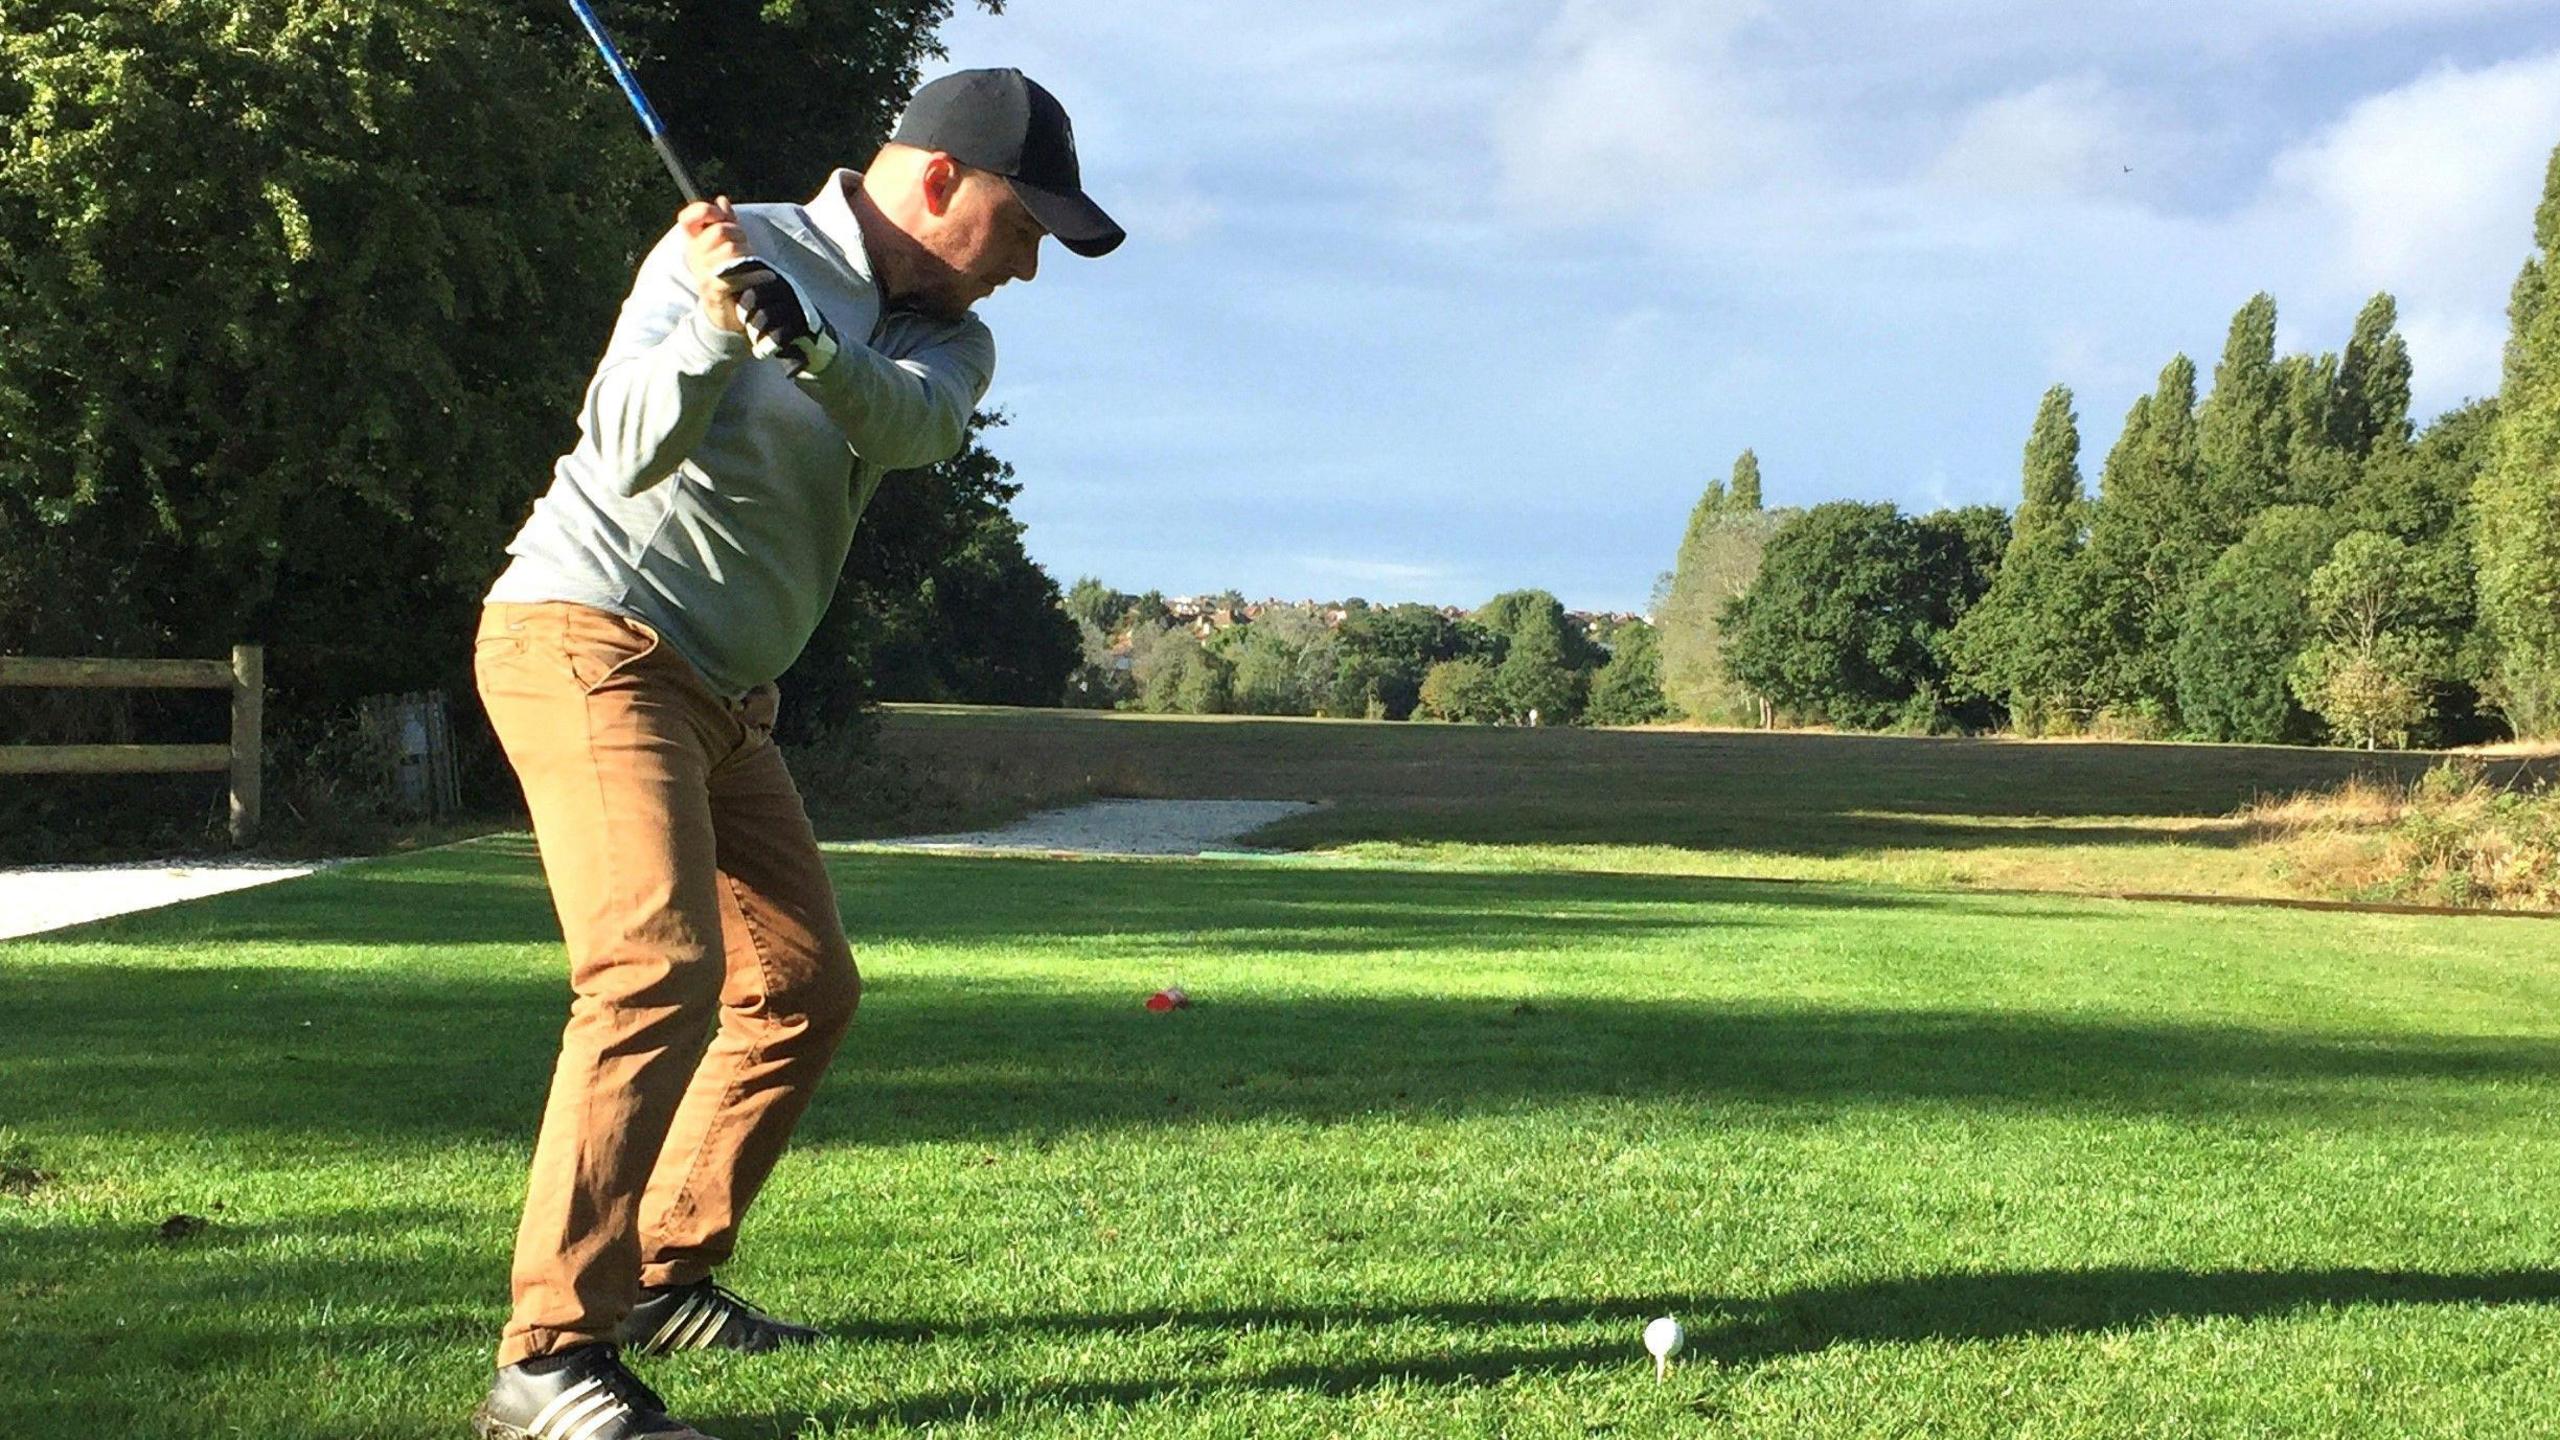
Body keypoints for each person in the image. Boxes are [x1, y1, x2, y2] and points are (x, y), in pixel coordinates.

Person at [467, 68, 1121, 1440]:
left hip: (726, 692)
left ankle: (664, 1273)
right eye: (1022, 230)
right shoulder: (724, 247)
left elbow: (909, 423)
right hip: (591, 636)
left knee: (805, 988)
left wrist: (812, 351)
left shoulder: (951, 343)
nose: (1026, 270)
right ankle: (547, 1361)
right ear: (940, 181)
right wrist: (717, 329)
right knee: (653, 965)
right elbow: (624, 449)